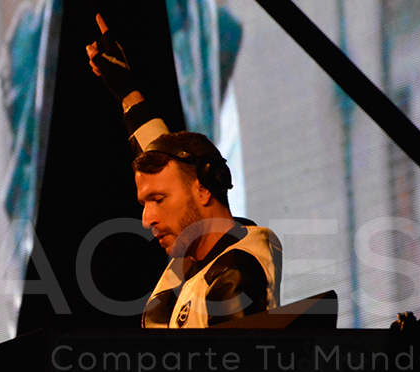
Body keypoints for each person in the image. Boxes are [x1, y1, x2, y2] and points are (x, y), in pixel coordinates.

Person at [86, 14, 281, 328]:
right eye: (145, 202)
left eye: (158, 199)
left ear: (203, 189)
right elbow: (165, 160)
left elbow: (230, 360)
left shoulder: (235, 276)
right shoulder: (200, 250)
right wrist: (125, 89)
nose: (146, 219)